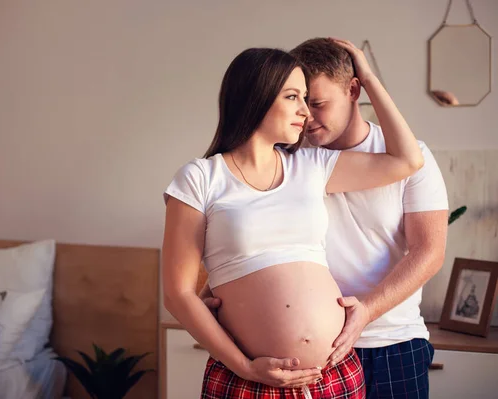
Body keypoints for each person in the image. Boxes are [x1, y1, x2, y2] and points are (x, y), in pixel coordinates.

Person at [163, 39, 423, 399]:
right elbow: (177, 294)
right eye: (293, 97)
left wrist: (367, 78)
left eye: (307, 98)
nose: (306, 111)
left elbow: (408, 160)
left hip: (332, 374)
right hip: (250, 378)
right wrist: (244, 365)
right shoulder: (199, 178)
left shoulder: (312, 166)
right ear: (256, 97)